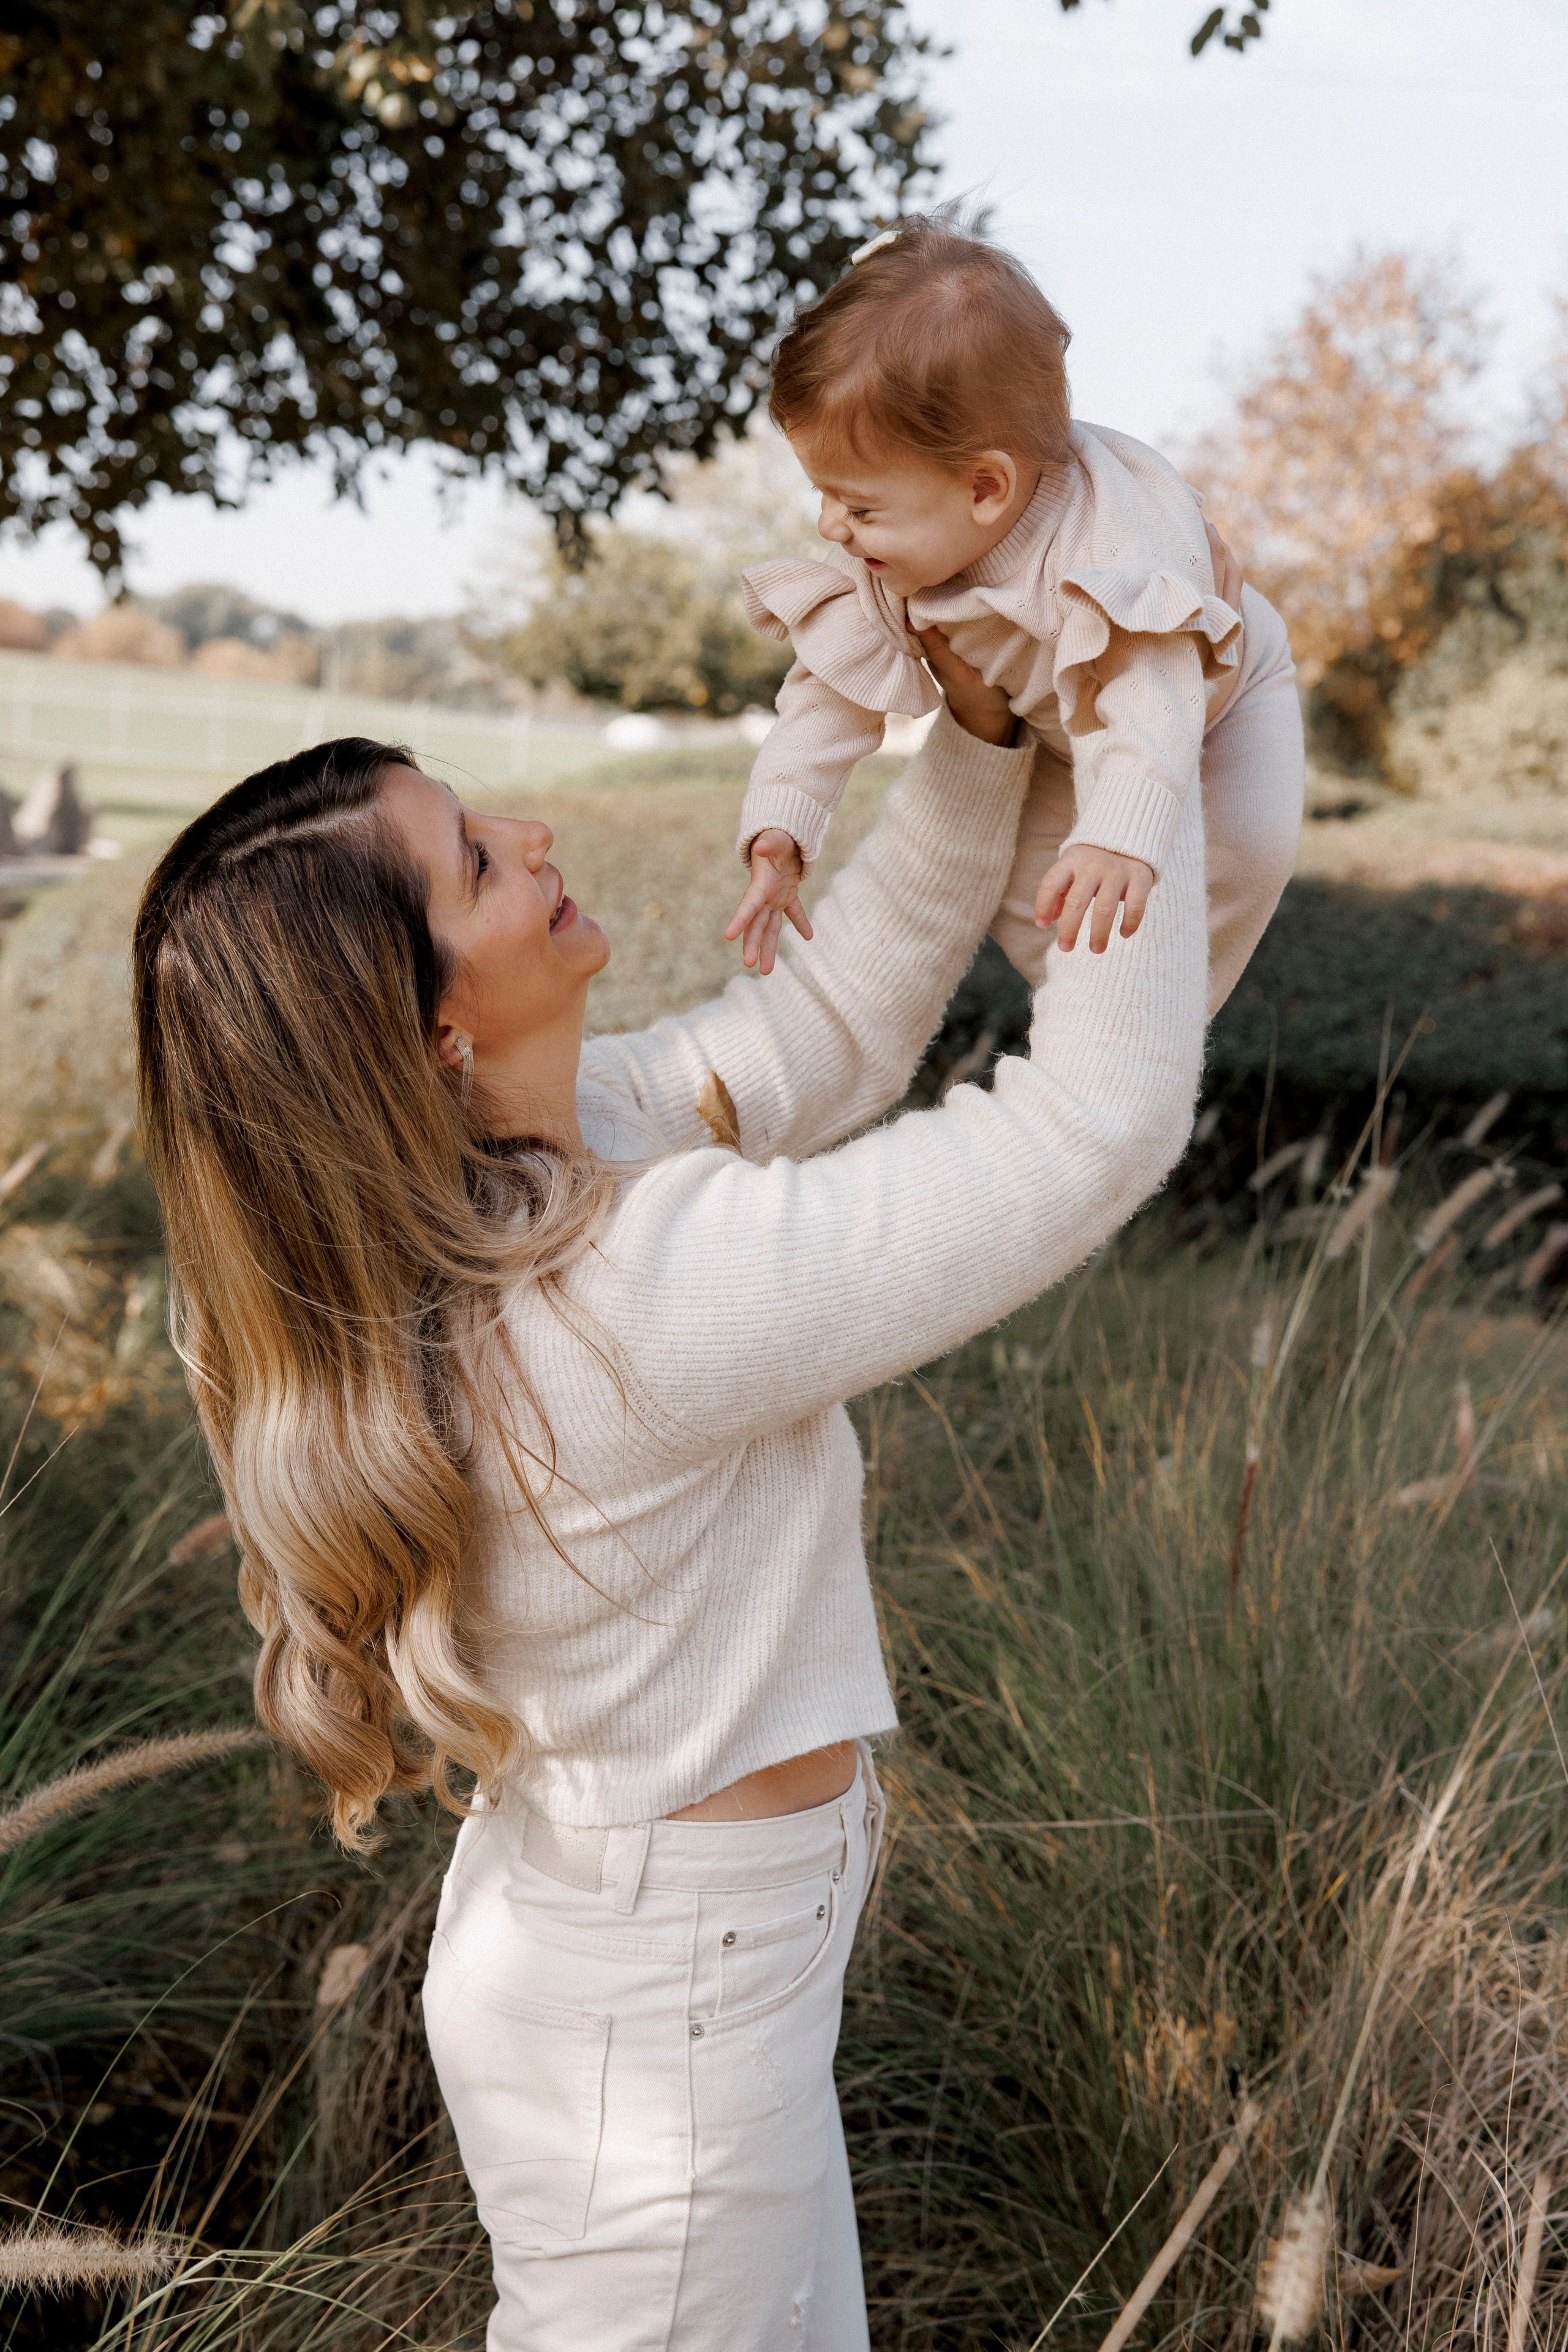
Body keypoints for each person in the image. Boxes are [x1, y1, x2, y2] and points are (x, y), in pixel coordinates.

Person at [132, 620, 1218, 2347]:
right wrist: (1144, 743)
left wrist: (993, 732)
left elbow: (833, 1025)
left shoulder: (503, 1184)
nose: (537, 844)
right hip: (667, 2040)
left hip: (629, 1967)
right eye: (479, 863)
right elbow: (1092, 1132)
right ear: (425, 1031)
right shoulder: (619, 1295)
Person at [726, 214, 1304, 1005]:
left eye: (857, 507)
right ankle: (1096, 1003)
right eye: (823, 496)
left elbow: (1154, 697)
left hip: (1219, 699)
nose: (832, 527)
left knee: (1249, 848)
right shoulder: (886, 555)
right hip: (1066, 742)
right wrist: (783, 827)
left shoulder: (1113, 540)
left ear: (986, 487)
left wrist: (1118, 833)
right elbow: (829, 693)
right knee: (1014, 883)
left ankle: (1168, 1009)